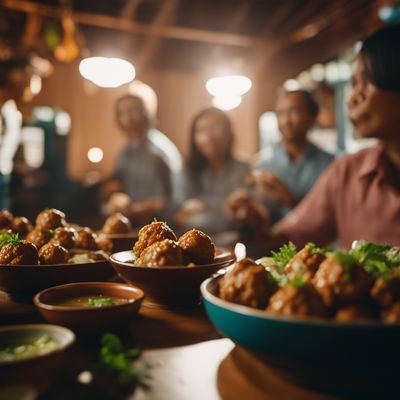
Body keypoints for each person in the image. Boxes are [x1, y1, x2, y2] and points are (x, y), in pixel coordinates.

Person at [227, 24, 400, 253]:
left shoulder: (333, 163)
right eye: (354, 84)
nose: (352, 99)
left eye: (366, 81)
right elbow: (291, 237)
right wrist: (257, 223)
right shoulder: (347, 172)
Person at [249, 89, 334, 224]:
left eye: (294, 111)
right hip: (271, 243)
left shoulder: (330, 164)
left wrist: (288, 198)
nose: (286, 121)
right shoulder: (262, 164)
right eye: (280, 113)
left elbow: (330, 219)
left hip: (316, 244)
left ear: (313, 117)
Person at [175, 107, 254, 234]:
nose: (209, 136)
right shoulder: (187, 171)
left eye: (215, 127)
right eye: (201, 130)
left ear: (229, 132)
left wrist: (204, 205)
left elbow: (241, 219)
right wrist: (226, 206)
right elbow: (181, 217)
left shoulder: (244, 168)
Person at [104, 94, 173, 225]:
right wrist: (114, 196)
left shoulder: (160, 151)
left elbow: (174, 201)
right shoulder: (124, 152)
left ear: (146, 112)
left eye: (133, 110)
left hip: (158, 226)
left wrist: (145, 207)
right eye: (122, 113)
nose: (128, 118)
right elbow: (116, 186)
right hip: (130, 223)